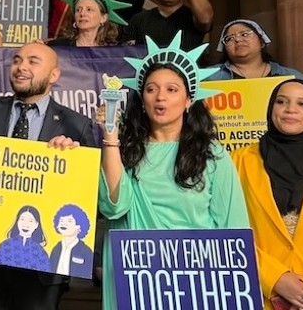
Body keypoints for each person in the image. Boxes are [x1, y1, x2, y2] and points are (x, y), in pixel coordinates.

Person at [95, 32, 250, 310]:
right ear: (142, 99)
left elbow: (233, 229)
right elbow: (113, 207)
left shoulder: (212, 155)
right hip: (136, 281)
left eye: (172, 89)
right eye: (151, 89)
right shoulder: (123, 151)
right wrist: (110, 137)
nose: (160, 98)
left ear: (189, 100)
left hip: (197, 282)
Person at [0, 42, 97, 310]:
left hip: (44, 269)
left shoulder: (76, 126)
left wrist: (73, 161)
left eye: (33, 61)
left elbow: (89, 195)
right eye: (17, 60)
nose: (22, 67)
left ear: (54, 75)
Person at [232, 80, 303, 310]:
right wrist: (275, 279)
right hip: (258, 295)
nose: (290, 109)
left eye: (302, 104)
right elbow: (226, 229)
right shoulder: (237, 161)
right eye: (281, 101)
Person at [209, 19, 303, 88]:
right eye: (229, 39)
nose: (237, 40)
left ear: (262, 42)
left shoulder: (292, 77)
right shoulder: (208, 77)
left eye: (244, 34)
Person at [0, 206, 51, 272]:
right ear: (17, 221)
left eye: (30, 221)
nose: (25, 224)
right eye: (22, 219)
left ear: (36, 225)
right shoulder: (5, 245)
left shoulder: (41, 252)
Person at [47, 205, 93, 279]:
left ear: (79, 226)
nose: (64, 223)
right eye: (61, 220)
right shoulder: (56, 249)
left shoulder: (86, 251)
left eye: (69, 221)